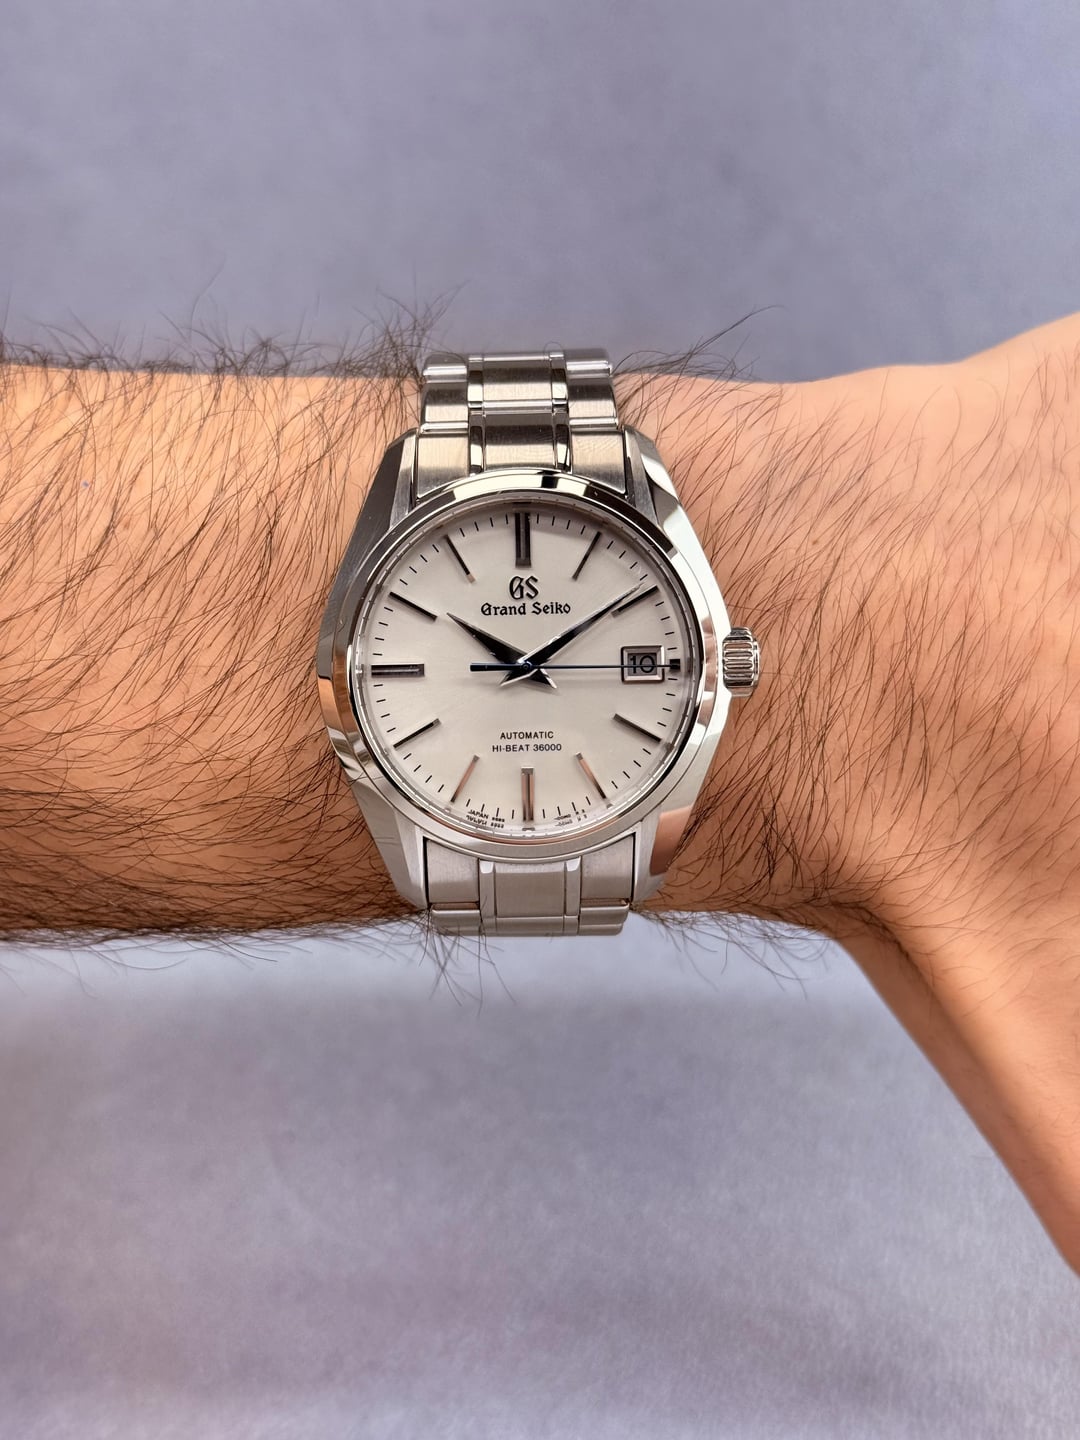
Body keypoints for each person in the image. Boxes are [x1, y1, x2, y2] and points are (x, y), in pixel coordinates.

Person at [2, 313, 1079, 1273]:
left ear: (726, 659)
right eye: (508, 662)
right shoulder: (363, 672)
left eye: (539, 661)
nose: (523, 673)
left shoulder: (691, 663)